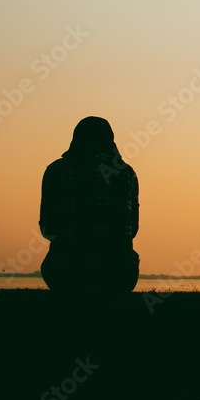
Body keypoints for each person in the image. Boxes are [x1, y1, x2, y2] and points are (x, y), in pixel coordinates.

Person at [39, 116, 139, 295]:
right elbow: (132, 230)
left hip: (66, 276)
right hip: (120, 278)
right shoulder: (128, 173)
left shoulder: (56, 170)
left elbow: (48, 229)